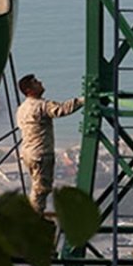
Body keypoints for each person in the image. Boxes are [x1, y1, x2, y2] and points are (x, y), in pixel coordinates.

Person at [16, 74, 84, 214]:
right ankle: (35, 217)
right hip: (41, 152)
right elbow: (61, 109)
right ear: (29, 90)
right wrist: (83, 100)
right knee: (41, 188)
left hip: (28, 152)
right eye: (35, 82)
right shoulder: (40, 106)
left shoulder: (22, 109)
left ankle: (34, 213)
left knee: (37, 185)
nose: (40, 82)